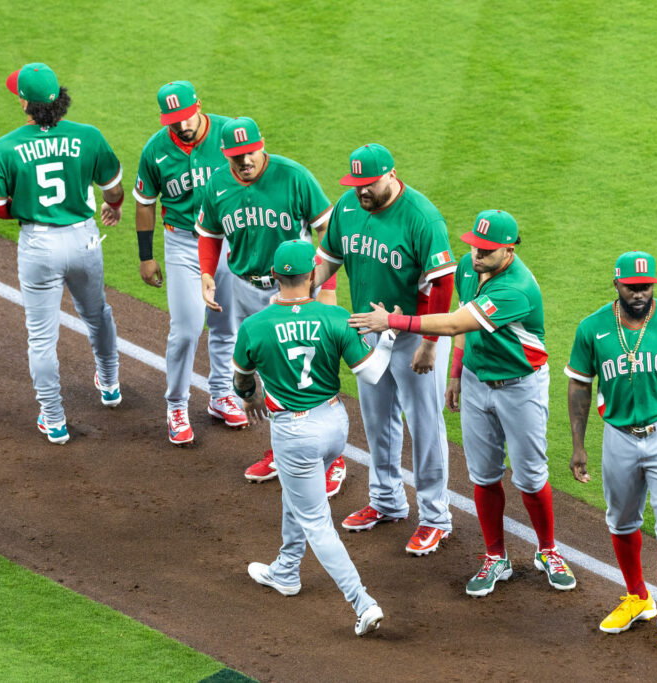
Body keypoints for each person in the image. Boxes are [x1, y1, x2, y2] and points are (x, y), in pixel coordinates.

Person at [349, 210, 576, 595]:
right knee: (484, 474)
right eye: (474, 246)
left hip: (520, 387)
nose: (476, 255)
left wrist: (393, 321)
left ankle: (548, 551)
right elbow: (461, 326)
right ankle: (495, 557)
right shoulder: (468, 270)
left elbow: (455, 322)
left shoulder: (516, 287)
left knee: (531, 477)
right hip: (475, 381)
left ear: (509, 249)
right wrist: (456, 373)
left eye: (486, 251)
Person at [239, 240, 395, 636]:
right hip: (334, 425)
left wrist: (251, 395)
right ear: (312, 275)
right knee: (299, 495)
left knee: (316, 521)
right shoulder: (335, 317)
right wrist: (389, 335)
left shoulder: (254, 326)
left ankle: (363, 603)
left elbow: (241, 379)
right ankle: (286, 570)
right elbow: (373, 373)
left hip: (294, 433)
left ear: (275, 275)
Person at [565, 250, 657, 649]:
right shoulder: (592, 327)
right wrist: (578, 445)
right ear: (616, 283)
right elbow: (580, 384)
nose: (639, 294)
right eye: (632, 286)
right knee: (621, 519)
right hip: (618, 435)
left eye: (646, 286)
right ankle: (637, 596)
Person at [314, 143, 456, 555]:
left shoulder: (421, 217)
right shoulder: (347, 207)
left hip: (415, 334)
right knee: (377, 422)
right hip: (368, 332)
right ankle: (388, 501)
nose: (361, 191)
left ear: (391, 175)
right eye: (356, 183)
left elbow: (443, 282)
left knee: (425, 427)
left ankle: (435, 517)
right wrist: (303, 290)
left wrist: (430, 343)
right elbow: (328, 259)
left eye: (369, 184)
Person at [194, 116, 344, 494]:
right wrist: (207, 274)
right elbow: (209, 234)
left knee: (312, 370)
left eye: (249, 153)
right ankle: (284, 451)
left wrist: (324, 288)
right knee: (270, 373)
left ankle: (333, 459)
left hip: (298, 289)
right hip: (246, 288)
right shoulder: (217, 186)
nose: (244, 161)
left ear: (262, 145)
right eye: (235, 156)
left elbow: (327, 230)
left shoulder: (294, 176)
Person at [0, 62, 124, 445]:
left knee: (41, 338)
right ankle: (110, 385)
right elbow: (112, 186)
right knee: (97, 314)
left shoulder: (6, 146)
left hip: (39, 246)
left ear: (25, 104)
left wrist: (24, 204)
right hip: (84, 240)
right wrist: (117, 205)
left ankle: (54, 418)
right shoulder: (89, 136)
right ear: (59, 98)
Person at [132, 80, 246, 445]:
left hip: (227, 241)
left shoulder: (229, 135)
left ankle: (221, 395)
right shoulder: (155, 150)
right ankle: (176, 406)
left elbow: (254, 179)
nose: (181, 125)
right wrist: (146, 255)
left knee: (226, 324)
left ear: (199, 105)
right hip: (183, 244)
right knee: (186, 329)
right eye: (173, 120)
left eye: (185, 117)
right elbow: (145, 202)